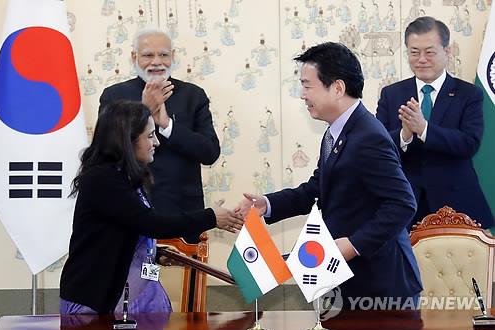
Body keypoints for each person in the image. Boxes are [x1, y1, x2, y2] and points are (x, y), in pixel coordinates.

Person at [236, 42, 422, 309]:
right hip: (348, 281)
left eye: (307, 86)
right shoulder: (338, 132)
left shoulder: (368, 136)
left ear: (337, 88)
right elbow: (318, 188)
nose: (302, 95)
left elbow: (403, 203)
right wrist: (267, 204)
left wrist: (352, 245)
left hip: (381, 286)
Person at [60, 101, 243, 314]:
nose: (156, 142)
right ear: (126, 140)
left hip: (116, 299)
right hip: (92, 302)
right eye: (149, 136)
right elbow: (151, 224)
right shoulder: (103, 179)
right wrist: (211, 217)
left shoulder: (122, 177)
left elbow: (122, 232)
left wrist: (154, 253)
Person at [99, 27, 220, 243]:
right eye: (148, 55)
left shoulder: (193, 95)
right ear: (134, 57)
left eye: (164, 54)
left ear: (173, 57)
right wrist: (144, 113)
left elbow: (209, 152)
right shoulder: (114, 96)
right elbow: (106, 151)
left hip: (181, 212)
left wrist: (166, 125)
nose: (157, 62)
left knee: (182, 276)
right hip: (128, 210)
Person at [376, 16, 493, 229]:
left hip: (457, 206)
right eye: (414, 52)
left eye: (429, 52)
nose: (421, 59)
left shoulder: (468, 94)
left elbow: (469, 143)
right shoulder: (391, 94)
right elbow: (378, 147)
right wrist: (405, 135)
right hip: (405, 205)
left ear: (446, 52)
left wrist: (424, 129)